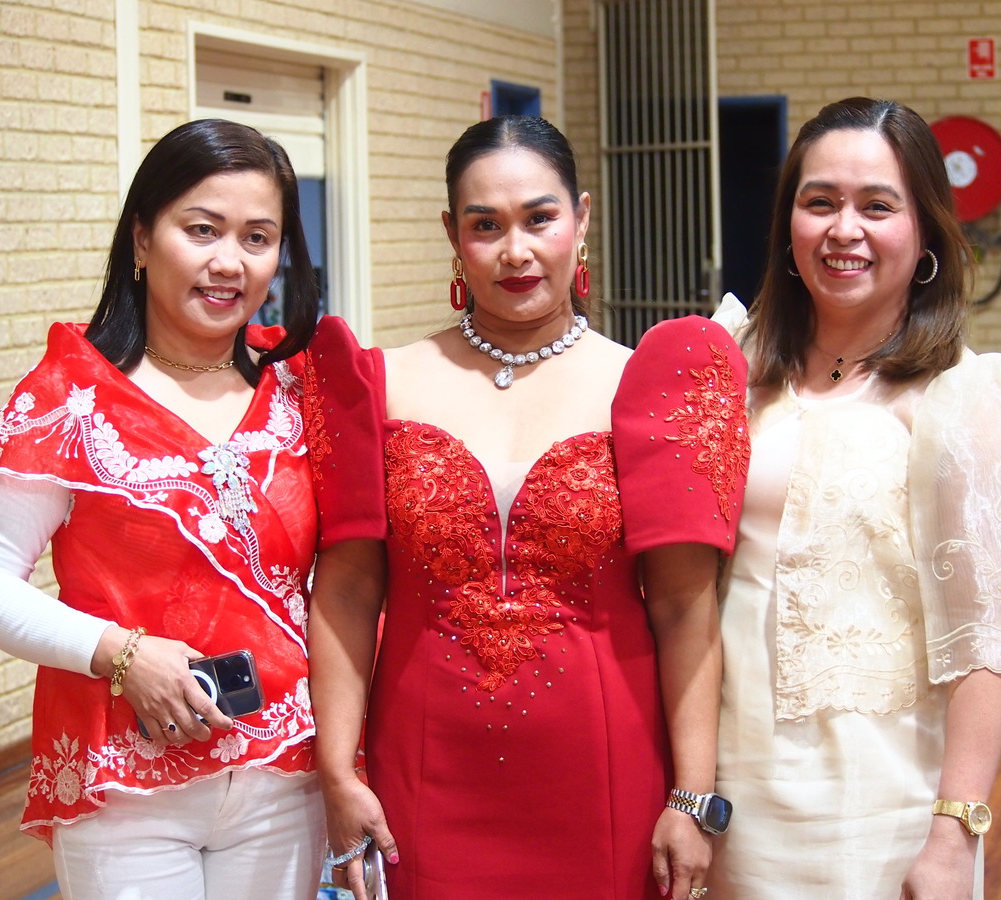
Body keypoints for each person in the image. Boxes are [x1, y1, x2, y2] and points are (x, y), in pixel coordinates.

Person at [301, 114, 750, 900]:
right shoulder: (380, 382)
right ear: (452, 234)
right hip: (423, 763)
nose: (516, 251)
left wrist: (691, 795)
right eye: (486, 225)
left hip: (604, 765)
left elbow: (685, 607)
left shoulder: (647, 387)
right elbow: (346, 591)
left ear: (581, 219)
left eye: (540, 218)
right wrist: (339, 769)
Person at [707, 97, 1001, 900]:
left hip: (880, 801)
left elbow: (987, 645)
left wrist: (954, 833)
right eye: (820, 201)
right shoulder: (731, 367)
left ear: (925, 232)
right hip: (731, 785)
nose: (843, 230)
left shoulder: (965, 399)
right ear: (788, 222)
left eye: (877, 206)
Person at [0, 119, 328, 900]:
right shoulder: (71, 398)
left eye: (258, 237)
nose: (230, 262)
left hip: (285, 772)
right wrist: (123, 654)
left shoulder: (299, 391)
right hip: (126, 783)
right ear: (143, 239)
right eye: (202, 230)